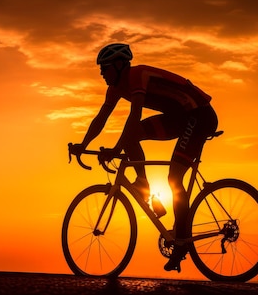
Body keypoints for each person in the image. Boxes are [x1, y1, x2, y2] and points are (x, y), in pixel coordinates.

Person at [69, 43, 218, 273]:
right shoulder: (116, 88)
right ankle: (143, 184)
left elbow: (134, 114)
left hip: (199, 115)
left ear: (119, 66)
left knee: (174, 178)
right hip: (178, 117)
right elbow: (101, 118)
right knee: (132, 137)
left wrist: (116, 149)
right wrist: (82, 145)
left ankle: (181, 240)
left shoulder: (136, 76)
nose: (101, 73)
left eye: (105, 68)